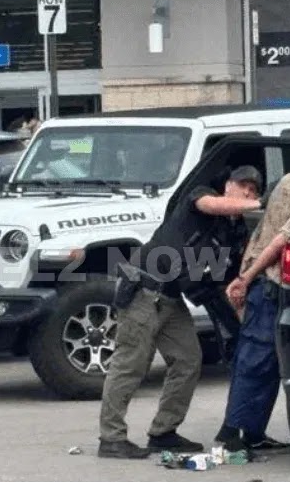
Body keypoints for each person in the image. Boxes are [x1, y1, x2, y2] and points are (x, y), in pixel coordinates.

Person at [98, 166, 264, 459]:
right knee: (130, 364)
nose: (248, 193)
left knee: (188, 360)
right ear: (228, 186)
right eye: (243, 187)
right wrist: (261, 204)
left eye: (253, 190)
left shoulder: (233, 230)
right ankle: (111, 438)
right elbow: (212, 205)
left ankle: (163, 432)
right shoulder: (201, 198)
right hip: (144, 291)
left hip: (172, 299)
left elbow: (226, 273)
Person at [213, 141, 290, 453]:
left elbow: (260, 231)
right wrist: (247, 276)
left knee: (257, 360)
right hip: (271, 282)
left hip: (260, 282)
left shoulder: (288, 180)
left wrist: (244, 275)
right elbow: (281, 239)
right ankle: (234, 432)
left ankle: (250, 433)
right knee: (259, 360)